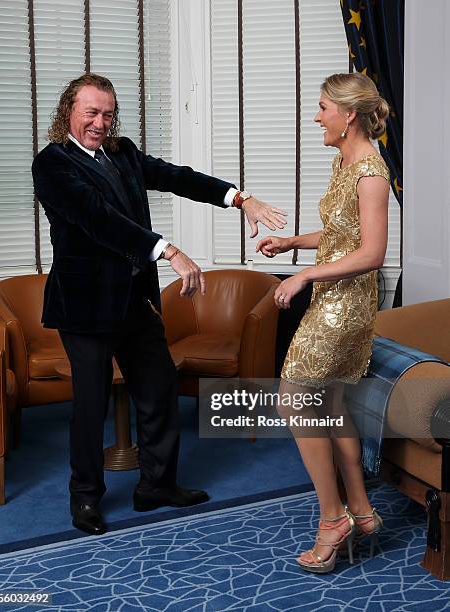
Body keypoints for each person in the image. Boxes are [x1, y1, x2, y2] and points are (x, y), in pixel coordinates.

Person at [32, 73, 287, 536]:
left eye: (107, 113)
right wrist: (167, 250)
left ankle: (157, 484)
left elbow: (175, 177)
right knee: (90, 407)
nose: (100, 122)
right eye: (90, 112)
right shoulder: (52, 164)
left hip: (135, 301)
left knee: (159, 386)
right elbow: (99, 221)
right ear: (68, 111)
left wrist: (239, 198)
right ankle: (85, 498)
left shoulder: (123, 152)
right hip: (85, 308)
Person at [256, 73, 390, 573]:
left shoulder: (372, 172)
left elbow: (372, 253)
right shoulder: (344, 162)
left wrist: (304, 275)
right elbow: (342, 234)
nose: (316, 117)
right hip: (334, 296)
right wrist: (293, 244)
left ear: (347, 114)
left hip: (346, 306)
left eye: (321, 108)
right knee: (329, 398)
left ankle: (333, 518)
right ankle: (361, 509)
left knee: (295, 397)